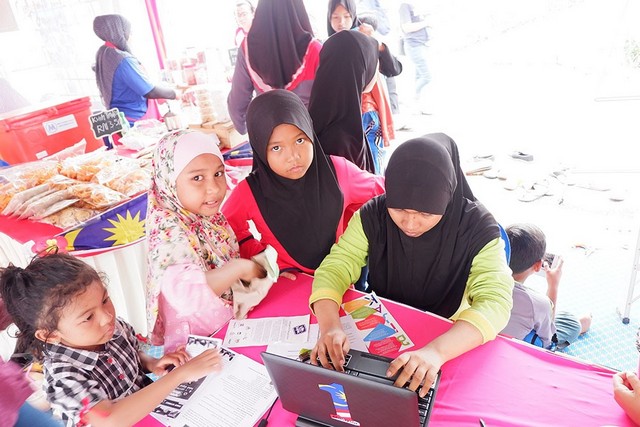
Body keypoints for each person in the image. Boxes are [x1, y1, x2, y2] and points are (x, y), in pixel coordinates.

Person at [309, 133, 513, 397]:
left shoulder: (478, 228)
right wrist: (329, 326)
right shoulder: (373, 214)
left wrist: (436, 352)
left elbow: (495, 301)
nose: (410, 224)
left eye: (425, 213)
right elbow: (336, 265)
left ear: (446, 197)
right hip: (382, 323)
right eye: (399, 210)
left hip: (450, 333)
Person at [0, 253, 221, 427]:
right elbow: (110, 419)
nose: (107, 317)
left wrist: (152, 363)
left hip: (153, 413)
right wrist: (180, 375)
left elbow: (131, 354)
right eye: (88, 317)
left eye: (105, 300)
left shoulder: (111, 329)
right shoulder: (63, 378)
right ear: (50, 335)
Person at [222, 90, 384, 277]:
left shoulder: (338, 171)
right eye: (276, 147)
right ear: (259, 148)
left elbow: (386, 189)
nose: (293, 156)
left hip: (338, 278)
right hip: (288, 283)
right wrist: (264, 261)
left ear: (310, 132)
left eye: (300, 140)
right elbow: (225, 229)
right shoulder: (250, 191)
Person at [145, 130, 266, 352]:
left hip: (228, 328)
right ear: (169, 181)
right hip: (197, 347)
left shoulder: (207, 216)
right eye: (197, 178)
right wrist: (238, 268)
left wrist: (264, 274)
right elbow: (187, 295)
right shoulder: (168, 230)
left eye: (218, 173)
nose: (214, 188)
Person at [227, 0, 322, 135]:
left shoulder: (247, 49)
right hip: (310, 136)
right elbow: (331, 101)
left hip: (270, 137)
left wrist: (244, 129)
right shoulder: (315, 50)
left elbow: (237, 104)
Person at [501, 223, 591, 350]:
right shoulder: (537, 303)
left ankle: (581, 323)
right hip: (515, 349)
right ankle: (581, 324)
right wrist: (553, 286)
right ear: (538, 265)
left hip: (488, 337)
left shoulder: (478, 279)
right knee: (571, 322)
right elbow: (549, 342)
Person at [308, 30, 380, 174]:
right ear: (361, 69)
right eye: (374, 63)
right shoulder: (344, 143)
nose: (376, 72)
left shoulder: (321, 122)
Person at [93, 14, 177, 126]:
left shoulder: (104, 53)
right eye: (129, 31)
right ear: (120, 32)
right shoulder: (122, 59)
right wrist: (175, 94)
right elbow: (150, 91)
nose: (131, 35)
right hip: (136, 122)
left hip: (121, 120)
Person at [398, 1, 432, 114]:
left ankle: (418, 106)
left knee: (420, 76)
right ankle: (410, 100)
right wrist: (426, 23)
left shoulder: (416, 5)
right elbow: (406, 27)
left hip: (422, 44)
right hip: (414, 45)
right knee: (427, 76)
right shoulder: (404, 6)